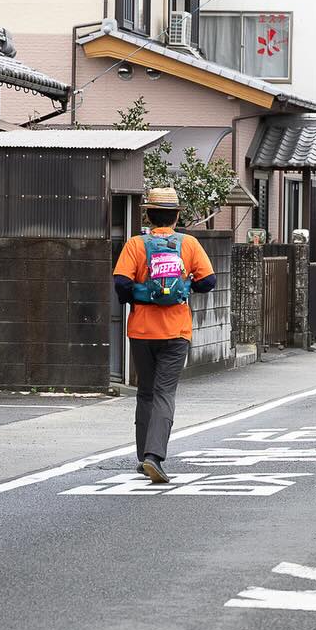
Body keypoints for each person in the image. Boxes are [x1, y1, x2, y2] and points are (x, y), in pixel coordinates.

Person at [113, 188, 217, 483]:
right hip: (176, 330)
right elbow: (208, 281)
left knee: (146, 391)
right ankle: (154, 456)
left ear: (147, 214)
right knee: (164, 393)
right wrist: (183, 287)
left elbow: (121, 283)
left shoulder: (136, 244)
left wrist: (138, 296)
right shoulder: (189, 243)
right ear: (177, 215)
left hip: (142, 329)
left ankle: (143, 454)